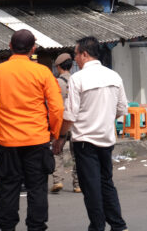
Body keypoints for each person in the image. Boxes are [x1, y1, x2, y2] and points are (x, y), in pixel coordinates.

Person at [0, 29, 63, 231]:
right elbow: (57, 107)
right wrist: (54, 132)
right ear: (33, 48)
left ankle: (7, 228)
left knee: (8, 188)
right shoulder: (42, 72)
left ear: (10, 46)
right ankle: (36, 227)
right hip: (37, 140)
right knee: (37, 189)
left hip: (8, 141)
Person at [53, 36, 129, 231]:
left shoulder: (78, 79)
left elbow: (69, 115)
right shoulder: (114, 76)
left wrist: (61, 137)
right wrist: (104, 116)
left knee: (91, 188)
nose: (75, 59)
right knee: (106, 182)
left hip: (85, 142)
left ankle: (97, 226)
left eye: (76, 54)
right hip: (106, 139)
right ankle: (118, 225)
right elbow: (122, 109)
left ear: (84, 54)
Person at [51, 53, 80, 194]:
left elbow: (51, 104)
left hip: (60, 122)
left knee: (57, 151)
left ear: (58, 67)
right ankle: (77, 184)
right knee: (77, 154)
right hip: (75, 123)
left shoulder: (56, 82)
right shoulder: (77, 80)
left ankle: (58, 181)